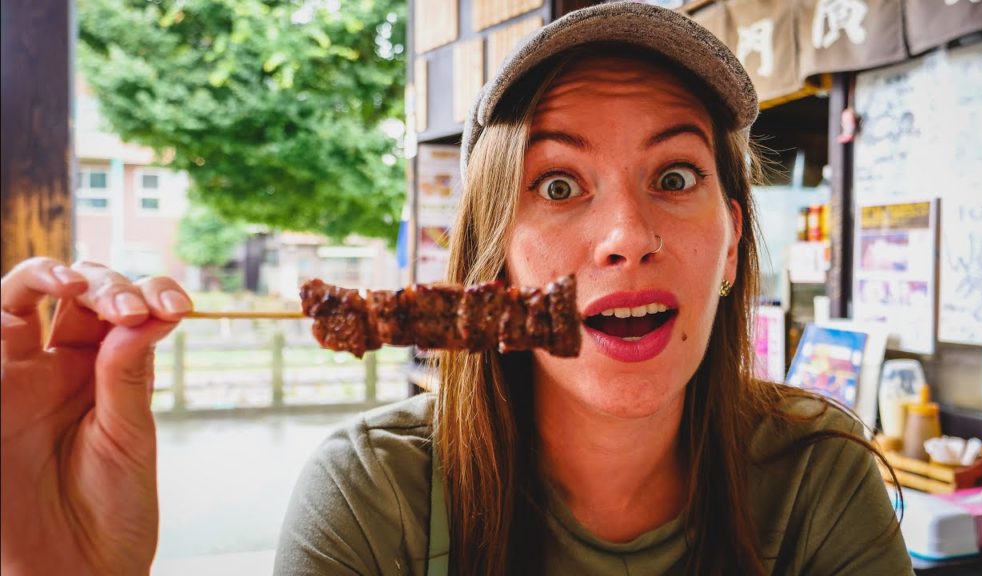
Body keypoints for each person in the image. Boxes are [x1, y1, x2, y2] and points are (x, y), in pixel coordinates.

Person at [0, 2, 911, 575]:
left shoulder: (814, 477)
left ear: (731, 242)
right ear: (493, 260)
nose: (628, 237)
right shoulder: (377, 496)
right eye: (558, 185)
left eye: (675, 177)